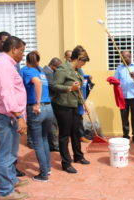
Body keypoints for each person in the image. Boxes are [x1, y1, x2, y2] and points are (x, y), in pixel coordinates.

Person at [0, 36, 28, 199]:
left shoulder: (7, 64)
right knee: (6, 154)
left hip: (9, 115)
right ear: (13, 49)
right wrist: (19, 116)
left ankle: (11, 181)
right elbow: (6, 93)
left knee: (11, 153)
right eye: (21, 51)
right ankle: (5, 192)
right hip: (7, 115)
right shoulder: (3, 65)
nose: (23, 54)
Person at [52, 45, 90, 174]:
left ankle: (78, 156)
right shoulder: (63, 69)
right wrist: (69, 88)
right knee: (64, 135)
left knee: (76, 133)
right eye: (83, 62)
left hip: (74, 105)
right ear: (78, 59)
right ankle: (66, 163)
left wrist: (83, 104)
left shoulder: (77, 70)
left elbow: (79, 89)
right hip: (63, 106)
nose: (83, 65)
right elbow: (55, 86)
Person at [21, 51, 54, 182]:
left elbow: (37, 83)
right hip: (48, 108)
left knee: (37, 142)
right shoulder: (40, 70)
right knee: (44, 138)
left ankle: (44, 174)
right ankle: (48, 168)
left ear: (27, 60)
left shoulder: (27, 70)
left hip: (37, 109)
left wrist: (37, 103)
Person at [114, 51, 134, 145]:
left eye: (124, 57)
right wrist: (113, 81)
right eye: (121, 57)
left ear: (129, 57)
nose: (123, 59)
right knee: (124, 117)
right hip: (123, 97)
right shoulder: (119, 67)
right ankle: (126, 136)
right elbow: (116, 79)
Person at [43, 57, 62, 152]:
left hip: (47, 100)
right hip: (50, 100)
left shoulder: (45, 70)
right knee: (53, 123)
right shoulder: (49, 72)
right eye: (58, 67)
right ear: (53, 65)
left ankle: (52, 143)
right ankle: (54, 144)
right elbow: (53, 86)